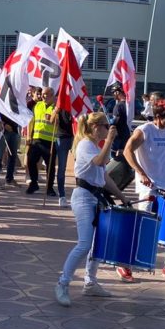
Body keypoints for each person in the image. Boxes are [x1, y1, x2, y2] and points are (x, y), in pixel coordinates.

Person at [54, 112, 126, 306]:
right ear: (95, 127)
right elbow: (100, 162)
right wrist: (110, 141)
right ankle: (63, 283)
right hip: (84, 198)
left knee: (98, 244)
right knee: (84, 244)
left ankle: (90, 282)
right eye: (105, 126)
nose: (107, 129)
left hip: (95, 198)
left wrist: (122, 197)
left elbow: (104, 178)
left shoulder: (94, 146)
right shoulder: (86, 144)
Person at [123, 99, 165, 279]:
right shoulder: (144, 131)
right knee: (142, 225)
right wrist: (141, 173)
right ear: (160, 116)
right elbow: (127, 151)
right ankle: (125, 263)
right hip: (150, 187)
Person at [25, 87, 58, 195]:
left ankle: (49, 188)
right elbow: (31, 121)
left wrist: (54, 118)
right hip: (36, 139)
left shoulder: (56, 107)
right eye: (42, 94)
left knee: (50, 166)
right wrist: (29, 136)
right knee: (30, 161)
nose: (43, 96)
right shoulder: (37, 105)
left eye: (46, 94)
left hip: (49, 141)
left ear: (52, 96)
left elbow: (60, 123)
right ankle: (34, 183)